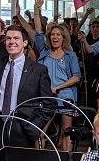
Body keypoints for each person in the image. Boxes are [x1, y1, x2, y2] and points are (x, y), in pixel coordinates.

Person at [34, 21, 81, 151]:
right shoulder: (44, 52)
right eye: (53, 34)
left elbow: (77, 77)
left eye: (58, 34)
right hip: (46, 96)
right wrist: (37, 12)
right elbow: (38, 33)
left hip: (65, 96)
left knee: (67, 132)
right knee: (39, 132)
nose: (55, 37)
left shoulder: (70, 55)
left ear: (63, 37)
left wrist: (58, 87)